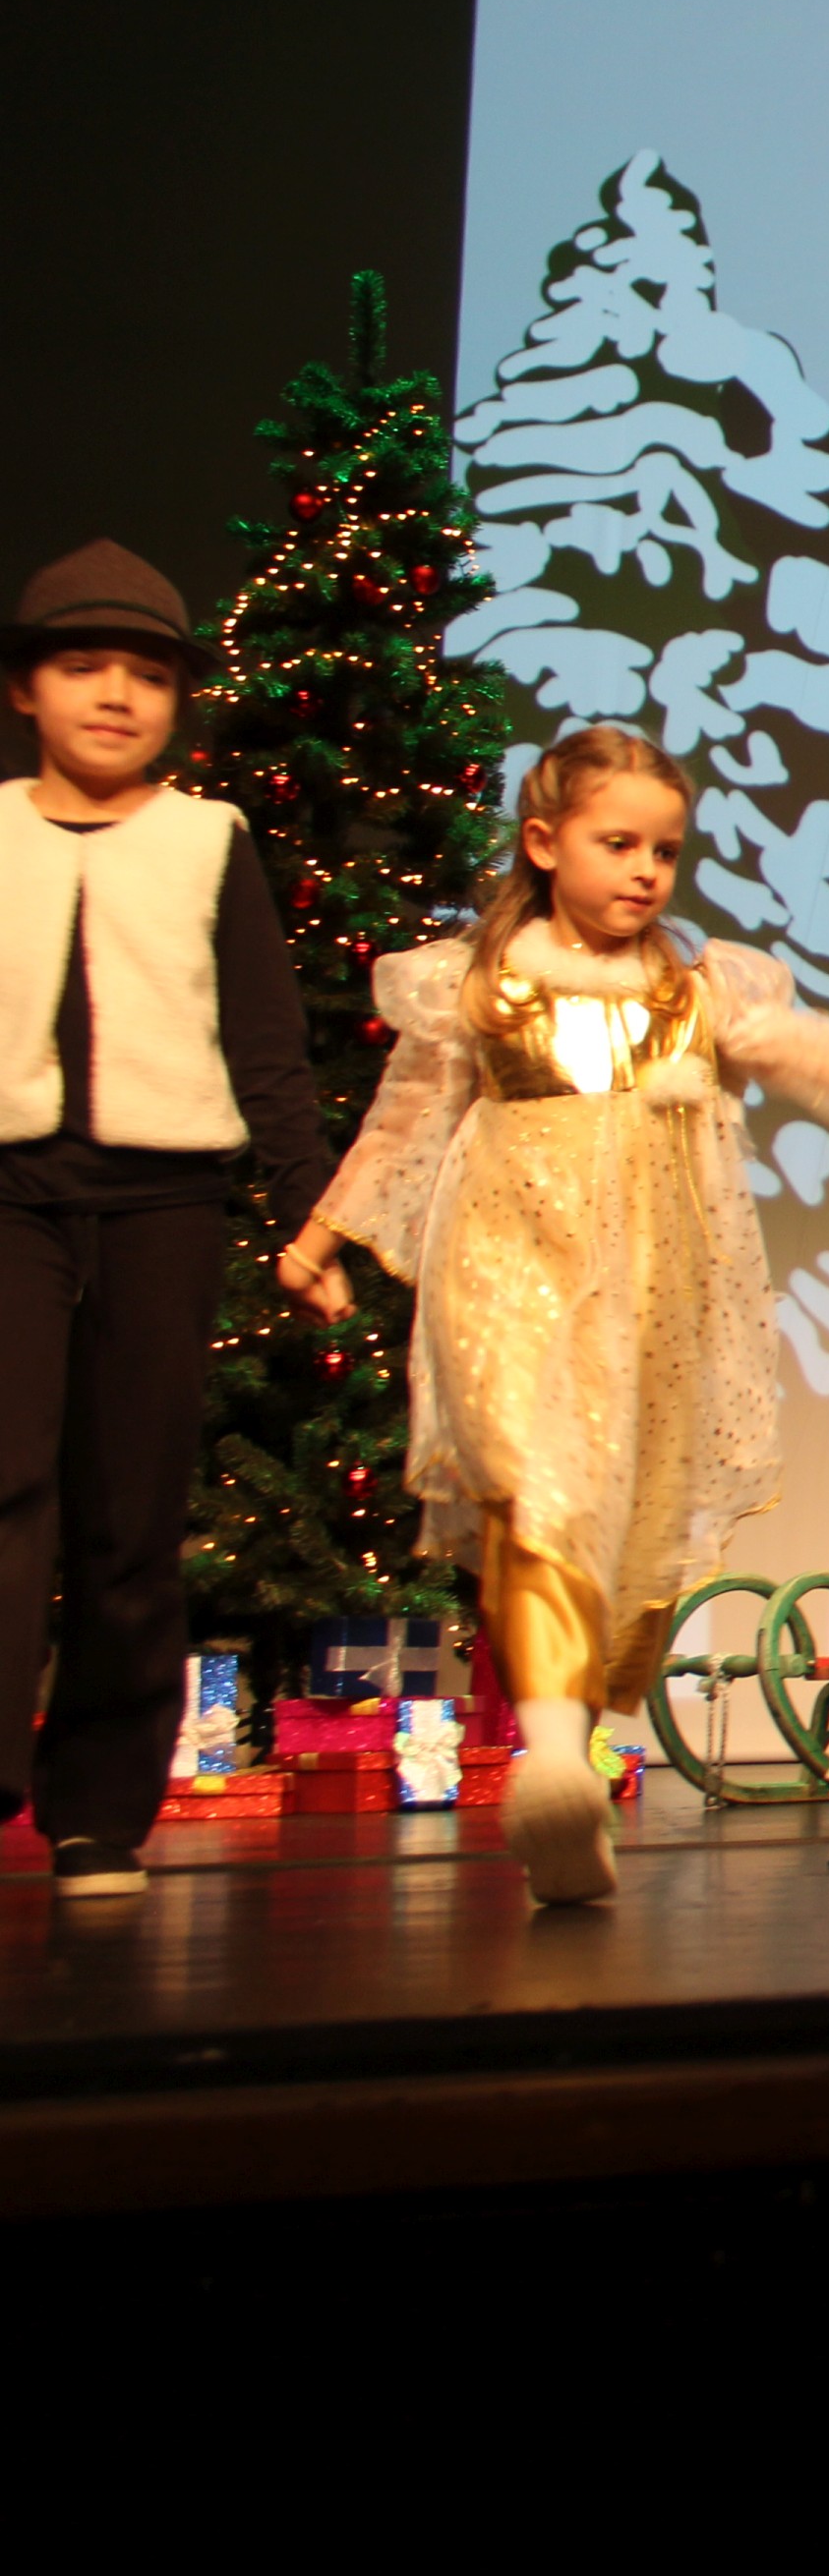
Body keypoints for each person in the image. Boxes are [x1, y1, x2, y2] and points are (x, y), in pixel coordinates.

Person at [283, 727, 829, 1905]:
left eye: (665, 850)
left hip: (651, 1294)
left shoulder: (698, 991)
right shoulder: (481, 986)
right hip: (507, 1266)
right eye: (618, 844)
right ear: (546, 844)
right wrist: (317, 1241)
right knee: (532, 1491)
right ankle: (553, 1765)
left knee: (619, 1517)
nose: (646, 870)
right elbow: (406, 1123)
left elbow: (828, 1060)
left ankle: (574, 1758)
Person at [0, 544, 329, 1901]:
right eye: (83, 666)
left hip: (163, 1202)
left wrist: (309, 1215)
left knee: (131, 1509)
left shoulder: (207, 840)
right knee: (5, 1481)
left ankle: (97, 1813)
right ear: (25, 689)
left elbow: (266, 1043)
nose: (115, 696)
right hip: (9, 1193)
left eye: (145, 674)